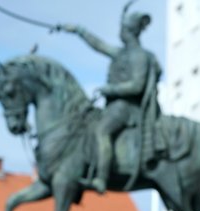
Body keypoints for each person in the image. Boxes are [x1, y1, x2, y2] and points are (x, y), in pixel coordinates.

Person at [59, 5, 162, 194]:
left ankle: (101, 177)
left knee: (102, 131)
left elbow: (137, 86)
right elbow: (98, 45)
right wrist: (78, 30)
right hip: (114, 105)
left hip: (127, 107)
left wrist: (110, 89)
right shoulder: (121, 53)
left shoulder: (140, 56)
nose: (119, 33)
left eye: (122, 29)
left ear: (129, 31)